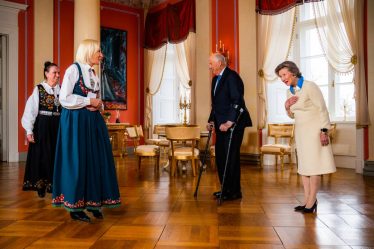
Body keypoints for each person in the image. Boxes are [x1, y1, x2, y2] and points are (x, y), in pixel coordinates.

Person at [52, 39, 121, 222]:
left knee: (96, 159)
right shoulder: (73, 70)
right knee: (78, 161)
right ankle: (75, 207)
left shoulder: (93, 74)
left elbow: (95, 99)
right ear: (89, 52)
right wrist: (89, 102)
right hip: (76, 121)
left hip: (92, 121)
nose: (101, 55)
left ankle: (93, 202)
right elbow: (64, 99)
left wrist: (99, 105)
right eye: (98, 51)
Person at [275, 60, 336, 213]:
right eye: (280, 76)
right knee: (304, 167)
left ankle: (312, 201)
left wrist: (324, 131)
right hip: (301, 132)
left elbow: (322, 109)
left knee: (314, 166)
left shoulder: (310, 86)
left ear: (293, 72)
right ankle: (307, 199)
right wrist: (287, 106)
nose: (282, 79)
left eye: (284, 74)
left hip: (315, 130)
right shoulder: (290, 91)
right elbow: (292, 116)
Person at [207, 53, 252, 201]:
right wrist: (211, 120)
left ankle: (234, 191)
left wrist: (229, 122)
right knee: (221, 156)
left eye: (211, 63)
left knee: (230, 157)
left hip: (234, 124)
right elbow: (216, 105)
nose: (209, 66)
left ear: (220, 63)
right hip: (220, 125)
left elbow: (237, 101)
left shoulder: (232, 77)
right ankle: (225, 189)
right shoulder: (215, 80)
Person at [22, 61, 61, 198]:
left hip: (57, 126)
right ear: (46, 73)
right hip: (42, 126)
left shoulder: (61, 90)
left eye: (58, 73)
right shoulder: (39, 89)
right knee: (42, 155)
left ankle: (54, 184)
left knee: (56, 155)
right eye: (54, 72)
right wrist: (29, 130)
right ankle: (40, 185)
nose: (57, 75)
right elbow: (30, 111)